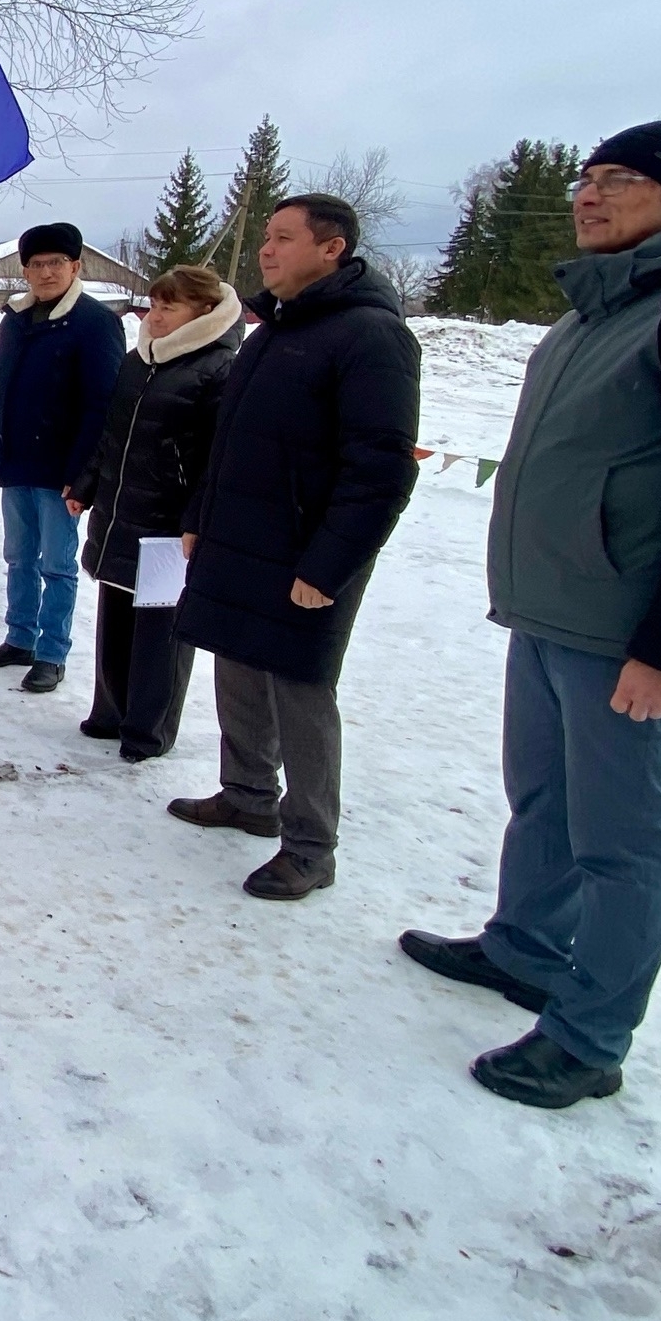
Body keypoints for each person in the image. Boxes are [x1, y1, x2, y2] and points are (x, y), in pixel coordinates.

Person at [401, 120, 661, 1109]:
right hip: (549, 614)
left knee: (623, 842)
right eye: (585, 178)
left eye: (618, 180)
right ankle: (525, 947)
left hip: (628, 637)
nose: (588, 195)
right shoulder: (597, 310)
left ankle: (588, 1037)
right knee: (541, 801)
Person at [169, 194, 420, 901]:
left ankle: (310, 845)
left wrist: (329, 565)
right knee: (238, 666)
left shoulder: (373, 336)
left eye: (283, 238)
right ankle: (246, 793)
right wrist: (201, 514)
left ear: (332, 248)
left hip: (307, 551)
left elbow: (381, 469)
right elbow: (229, 444)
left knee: (301, 692)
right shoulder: (274, 332)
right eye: (266, 239)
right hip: (241, 536)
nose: (266, 251)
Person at [65, 264, 242, 760]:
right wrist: (88, 483)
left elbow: (216, 459)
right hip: (121, 511)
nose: (156, 315)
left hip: (169, 524)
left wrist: (196, 519)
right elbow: (112, 433)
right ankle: (110, 713)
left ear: (203, 313)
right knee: (115, 617)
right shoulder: (138, 360)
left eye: (170, 307)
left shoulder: (219, 369)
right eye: (155, 304)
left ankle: (148, 729)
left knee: (159, 634)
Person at [0, 223, 127, 694]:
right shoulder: (15, 320)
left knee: (57, 564)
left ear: (75, 266)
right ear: (25, 271)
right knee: (19, 557)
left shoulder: (96, 323)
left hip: (61, 470)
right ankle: (19, 638)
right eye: (36, 264)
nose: (45, 272)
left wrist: (83, 475)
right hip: (15, 460)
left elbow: (103, 405)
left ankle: (52, 652)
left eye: (56, 262)